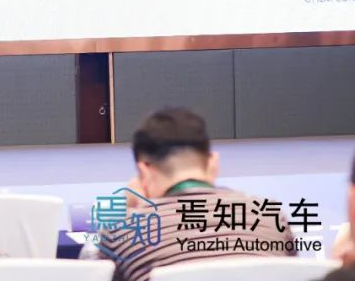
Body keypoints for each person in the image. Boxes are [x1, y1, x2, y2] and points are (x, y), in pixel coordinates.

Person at [95, 107, 296, 281]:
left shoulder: (121, 232)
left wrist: (122, 208)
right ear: (213, 163)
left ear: (144, 172)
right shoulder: (271, 217)